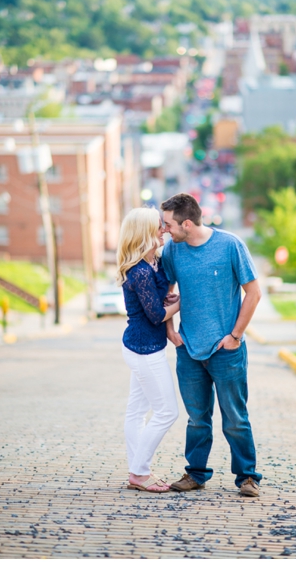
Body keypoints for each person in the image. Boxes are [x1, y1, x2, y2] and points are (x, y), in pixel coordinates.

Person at [159, 193, 263, 498]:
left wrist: (236, 336)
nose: (164, 230)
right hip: (188, 349)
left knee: (234, 417)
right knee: (197, 418)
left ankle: (247, 476)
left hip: (226, 351)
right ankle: (196, 474)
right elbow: (167, 290)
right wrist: (169, 329)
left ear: (187, 223)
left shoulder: (230, 245)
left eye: (168, 224)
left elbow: (254, 293)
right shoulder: (172, 251)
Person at [117, 208, 181, 493]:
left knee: (137, 411)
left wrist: (168, 297)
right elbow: (156, 316)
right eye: (158, 227)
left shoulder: (151, 263)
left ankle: (137, 470)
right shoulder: (140, 271)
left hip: (143, 346)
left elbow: (156, 301)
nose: (164, 230)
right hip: (144, 349)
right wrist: (184, 300)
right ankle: (139, 472)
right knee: (167, 412)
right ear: (145, 232)